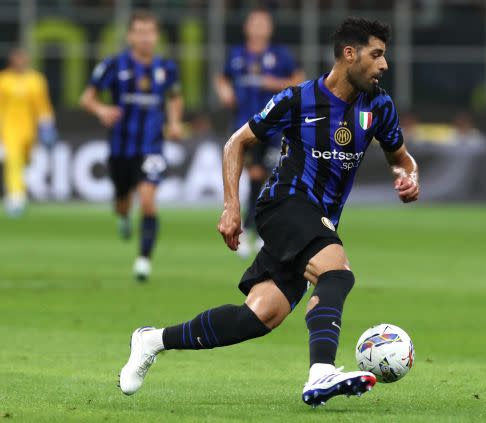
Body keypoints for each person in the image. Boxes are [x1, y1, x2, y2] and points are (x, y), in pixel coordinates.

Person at [118, 17, 419, 407]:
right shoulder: (299, 99)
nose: (384, 65)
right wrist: (231, 207)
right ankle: (321, 373)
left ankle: (152, 340)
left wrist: (410, 177)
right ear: (350, 54)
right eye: (377, 55)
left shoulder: (379, 106)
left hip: (318, 219)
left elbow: (402, 158)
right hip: (285, 204)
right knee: (336, 272)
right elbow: (236, 143)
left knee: (259, 317)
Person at [79, 10, 183, 281]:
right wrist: (102, 110)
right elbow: (87, 98)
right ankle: (124, 217)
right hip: (120, 149)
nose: (145, 38)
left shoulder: (166, 69)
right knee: (123, 203)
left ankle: (143, 261)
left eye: (150, 32)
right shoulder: (114, 65)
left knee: (148, 202)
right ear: (130, 36)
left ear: (156, 36)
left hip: (152, 147)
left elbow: (174, 98)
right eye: (140, 32)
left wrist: (174, 123)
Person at [214, 8, 304, 258]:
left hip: (276, 129)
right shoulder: (236, 55)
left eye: (263, 23)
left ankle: (256, 229)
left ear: (270, 28)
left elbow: (299, 81)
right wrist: (225, 91)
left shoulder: (280, 55)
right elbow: (221, 78)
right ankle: (253, 230)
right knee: (255, 175)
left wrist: (272, 84)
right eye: (255, 22)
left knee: (268, 178)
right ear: (247, 27)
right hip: (246, 128)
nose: (259, 27)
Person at [0, 48, 57, 217]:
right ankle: (16, 197)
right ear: (12, 60)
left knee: (26, 160)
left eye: (23, 59)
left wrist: (47, 125)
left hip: (29, 128)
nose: (21, 62)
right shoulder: (4, 80)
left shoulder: (36, 80)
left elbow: (42, 105)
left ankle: (18, 190)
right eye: (18, 59)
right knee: (13, 160)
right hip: (9, 128)